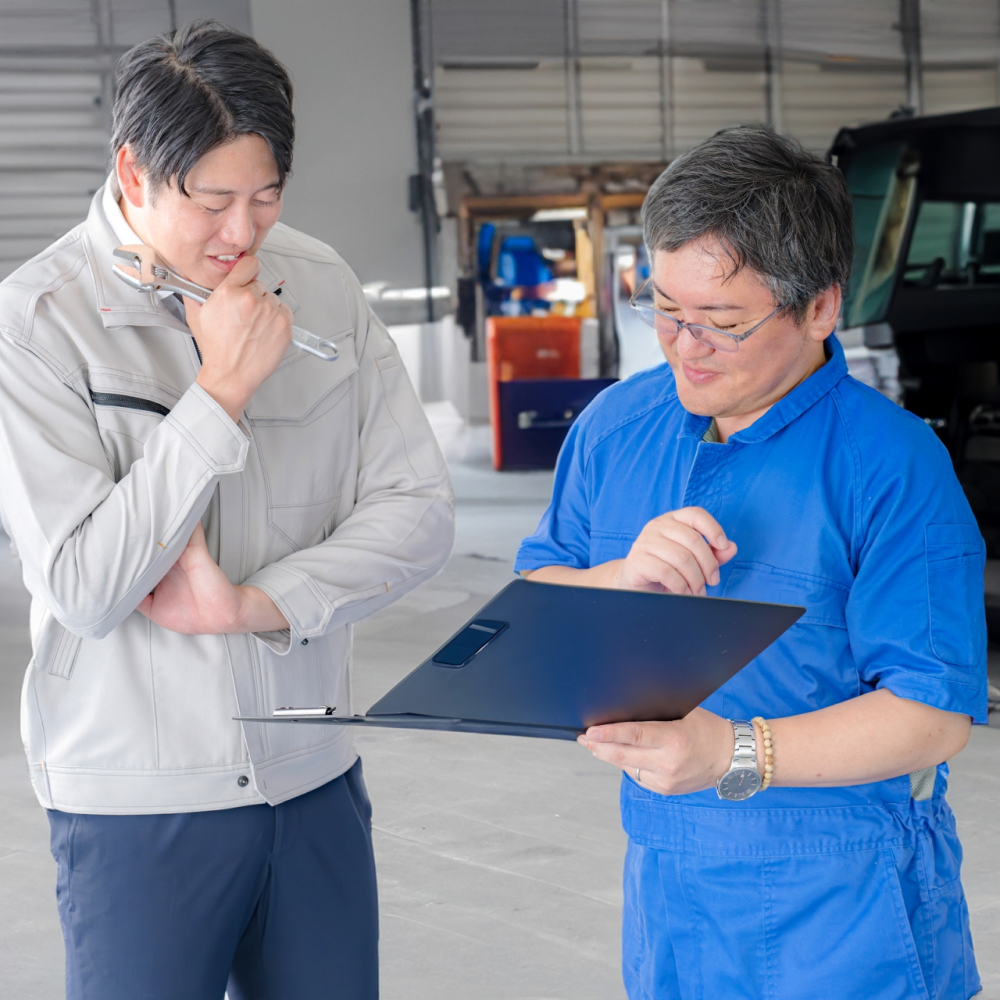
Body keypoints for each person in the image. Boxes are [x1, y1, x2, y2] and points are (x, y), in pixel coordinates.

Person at [0, 20, 453, 1000]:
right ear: (133, 172)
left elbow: (417, 510)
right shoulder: (37, 323)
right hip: (137, 803)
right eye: (212, 202)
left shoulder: (323, 285)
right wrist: (219, 395)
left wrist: (264, 602)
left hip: (313, 774)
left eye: (265, 195)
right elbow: (83, 585)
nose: (243, 233)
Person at [516, 125, 986, 999]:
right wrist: (618, 578)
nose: (684, 346)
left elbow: (933, 713)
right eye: (665, 308)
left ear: (819, 308)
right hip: (668, 892)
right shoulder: (615, 430)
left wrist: (734, 752)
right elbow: (536, 600)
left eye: (722, 323)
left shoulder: (889, 466)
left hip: (848, 904)